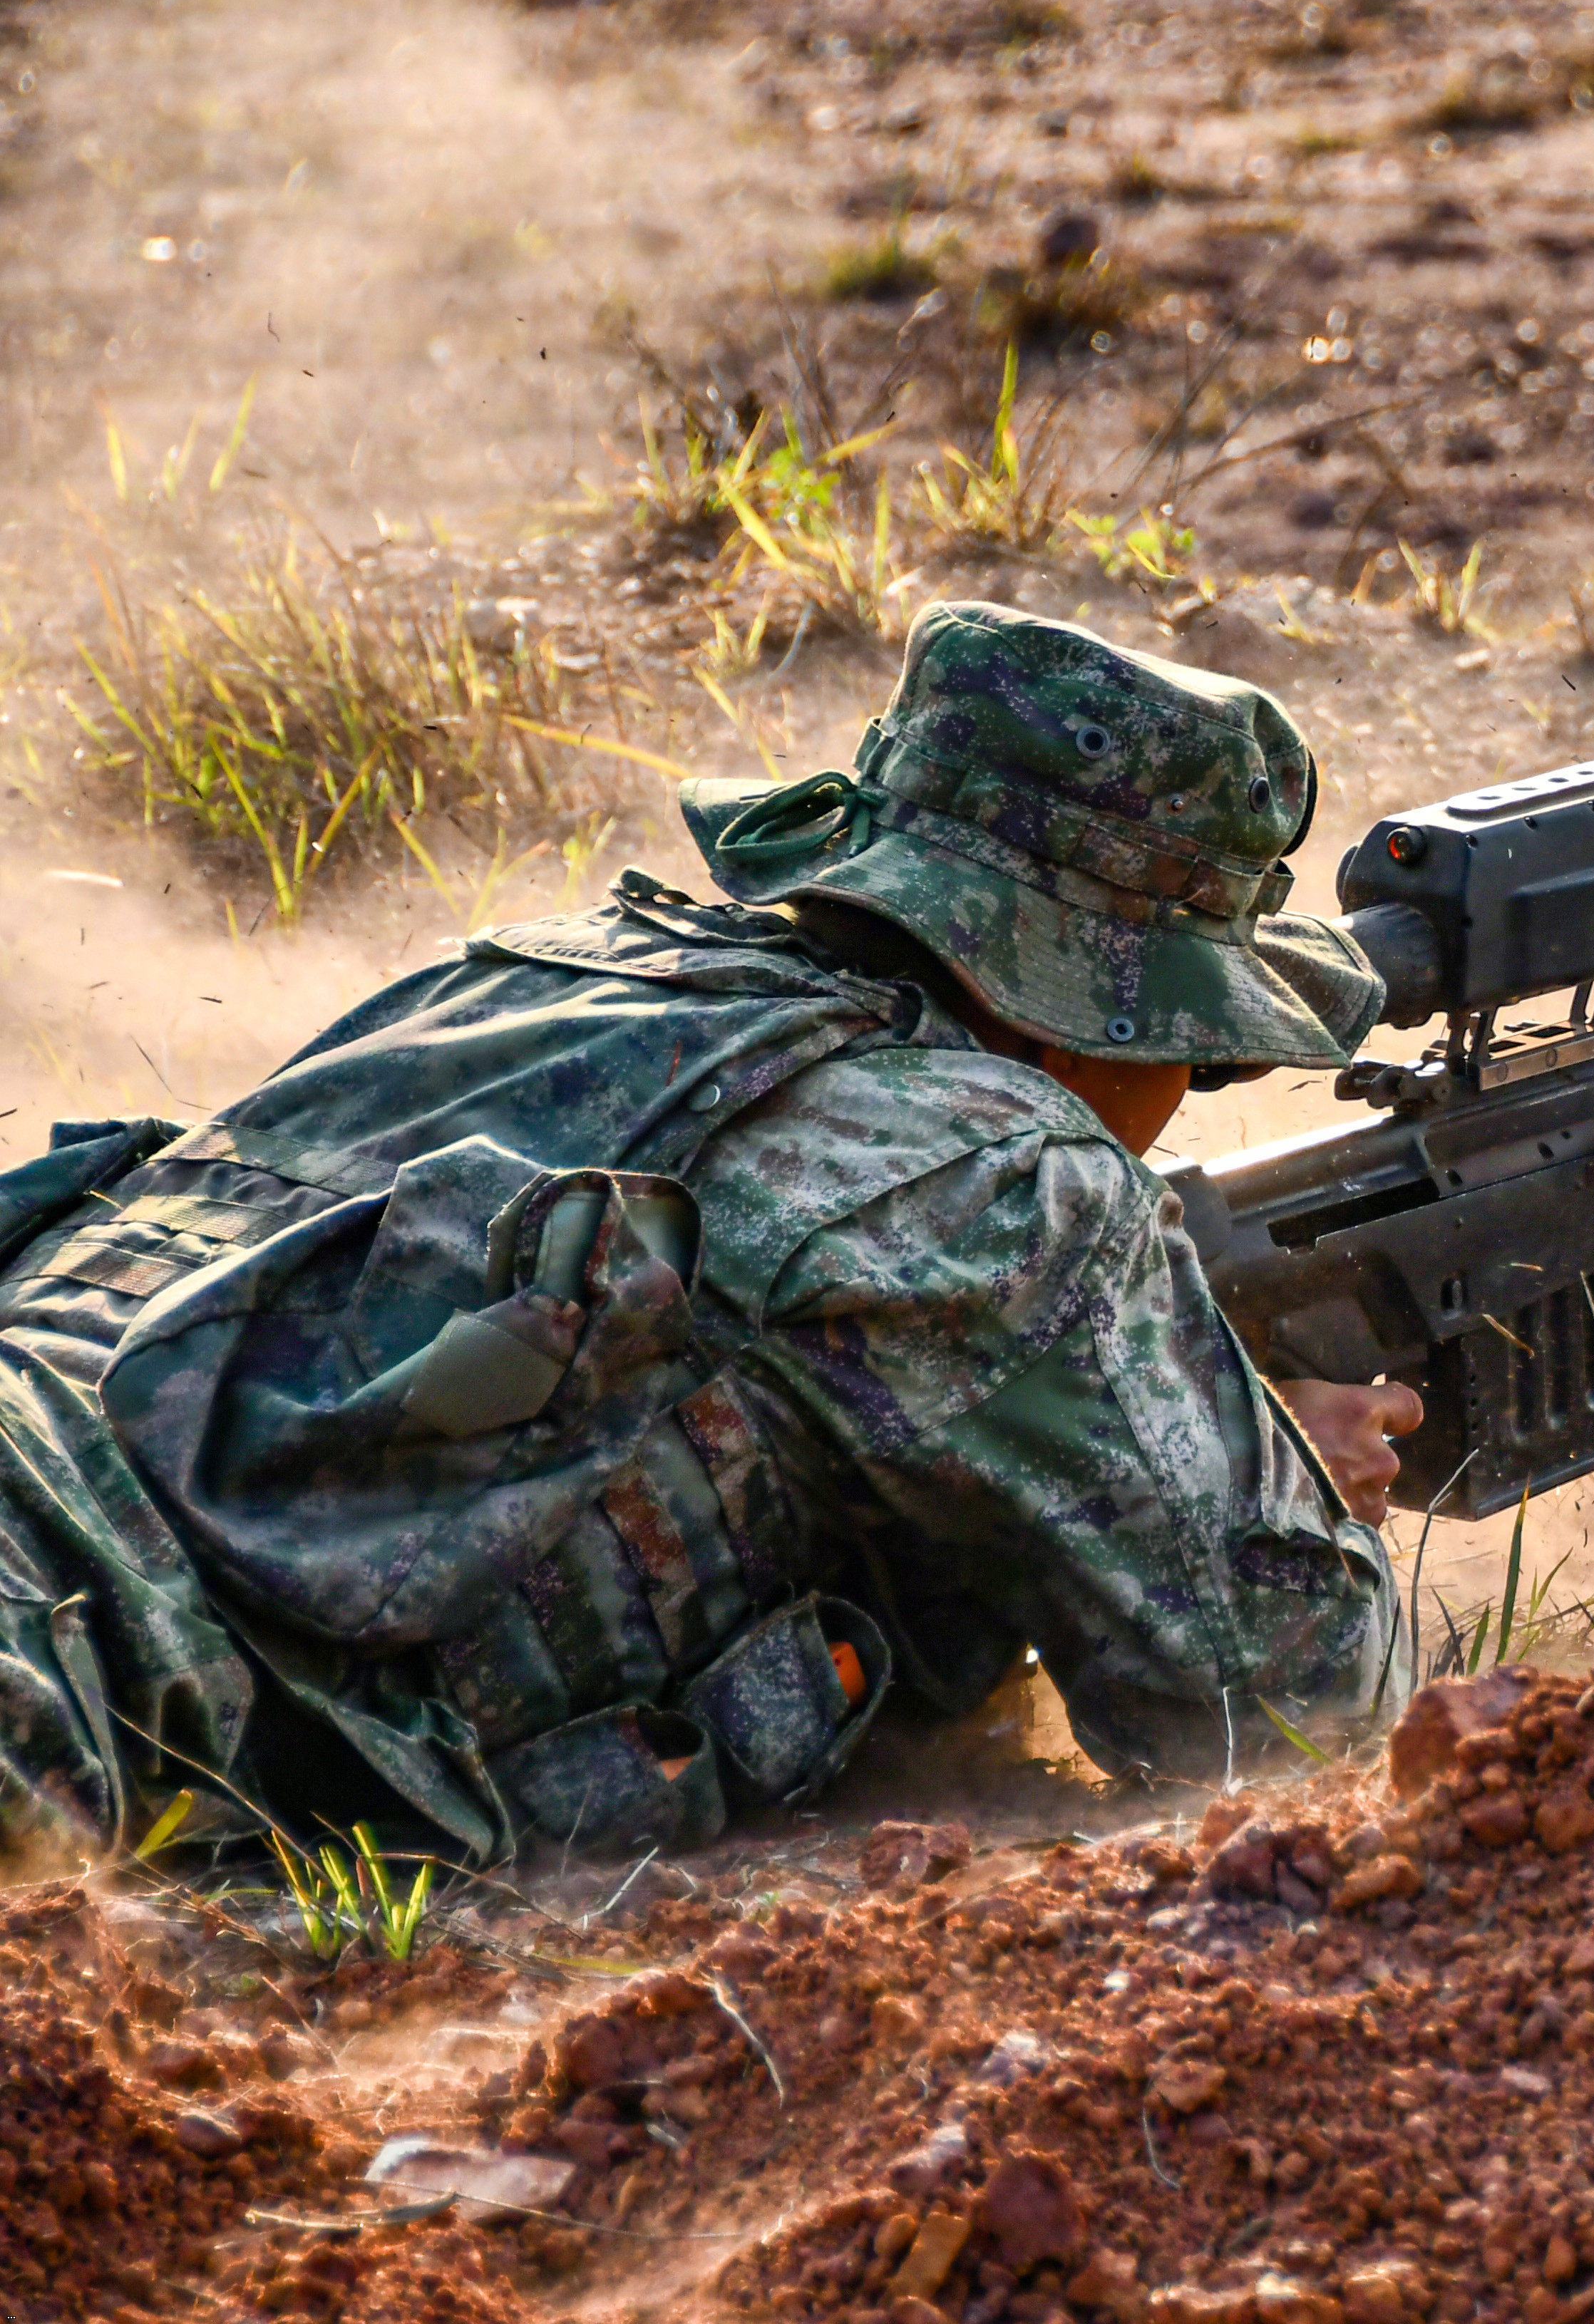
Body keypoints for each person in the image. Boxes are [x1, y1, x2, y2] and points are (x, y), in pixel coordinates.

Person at [0, 602, 1419, 1865]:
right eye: (1202, 1043)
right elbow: (1285, 1714)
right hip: (81, 1666)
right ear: (1090, 1009)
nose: (1190, 1089)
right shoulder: (998, 1174)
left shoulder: (531, 971)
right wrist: (1259, 1481)